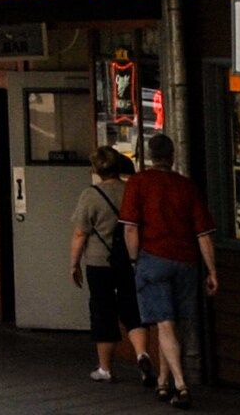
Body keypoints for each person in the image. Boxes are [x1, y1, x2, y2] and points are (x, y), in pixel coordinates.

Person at [120, 132, 218, 408]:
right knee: (176, 324)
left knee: (164, 324)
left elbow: (130, 227)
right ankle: (162, 383)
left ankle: (181, 384)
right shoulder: (187, 187)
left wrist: (133, 260)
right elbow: (203, 235)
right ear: (172, 156)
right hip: (186, 261)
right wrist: (212, 270)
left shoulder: (139, 183)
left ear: (150, 156)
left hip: (153, 257)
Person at [70, 147, 153, 386]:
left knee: (103, 312)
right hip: (130, 261)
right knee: (132, 309)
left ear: (95, 169)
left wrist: (74, 264)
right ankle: (142, 355)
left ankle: (105, 368)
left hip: (99, 262)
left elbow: (79, 234)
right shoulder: (131, 191)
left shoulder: (91, 195)